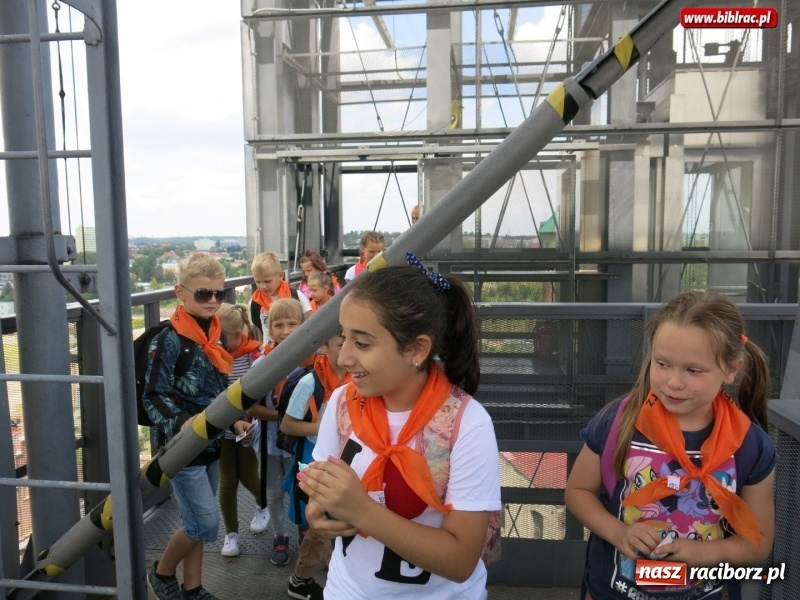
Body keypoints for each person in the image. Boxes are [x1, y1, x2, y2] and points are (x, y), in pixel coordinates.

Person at [298, 259, 502, 599]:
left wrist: (362, 511)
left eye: (362, 344)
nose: (344, 358)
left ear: (417, 349)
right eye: (343, 337)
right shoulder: (342, 403)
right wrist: (317, 510)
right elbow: (321, 487)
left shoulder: (467, 423)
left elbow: (461, 559)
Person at [564, 291, 777, 600]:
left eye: (693, 370)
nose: (674, 382)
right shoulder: (619, 421)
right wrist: (619, 533)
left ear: (731, 370)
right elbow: (577, 491)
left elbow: (758, 542)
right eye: (662, 363)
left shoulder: (749, 446)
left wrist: (701, 553)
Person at [144, 253, 232, 600]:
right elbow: (153, 394)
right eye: (203, 293)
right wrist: (184, 422)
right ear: (180, 292)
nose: (213, 301)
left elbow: (218, 389)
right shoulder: (168, 339)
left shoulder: (214, 333)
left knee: (195, 520)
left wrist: (236, 418)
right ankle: (162, 572)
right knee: (204, 523)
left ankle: (193, 588)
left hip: (211, 443)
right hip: (182, 449)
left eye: (219, 294)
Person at [282, 332, 352, 600]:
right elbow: (287, 424)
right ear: (324, 346)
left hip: (345, 460)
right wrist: (327, 428)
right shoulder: (310, 382)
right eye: (342, 343)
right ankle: (304, 579)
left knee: (330, 525)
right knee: (324, 526)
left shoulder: (356, 378)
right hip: (316, 460)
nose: (349, 350)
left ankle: (309, 578)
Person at [256, 298, 308, 567]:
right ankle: (280, 534)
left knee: (301, 487)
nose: (286, 331)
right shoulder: (262, 364)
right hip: (268, 440)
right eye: (279, 325)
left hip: (296, 441)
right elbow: (251, 406)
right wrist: (282, 417)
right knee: (274, 491)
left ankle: (303, 527)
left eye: (292, 324)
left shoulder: (309, 363)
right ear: (269, 328)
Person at [216, 303, 270, 558]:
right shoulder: (213, 354)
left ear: (237, 334)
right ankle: (231, 534)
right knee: (227, 481)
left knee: (248, 475)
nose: (215, 341)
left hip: (248, 425)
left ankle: (263, 505)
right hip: (222, 426)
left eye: (219, 336)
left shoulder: (253, 356)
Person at [249, 251, 312, 344]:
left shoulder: (296, 296)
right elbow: (258, 331)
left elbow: (310, 323)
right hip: (270, 349)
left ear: (280, 275)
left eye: (267, 281)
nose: (262, 286)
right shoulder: (254, 302)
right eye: (258, 282)